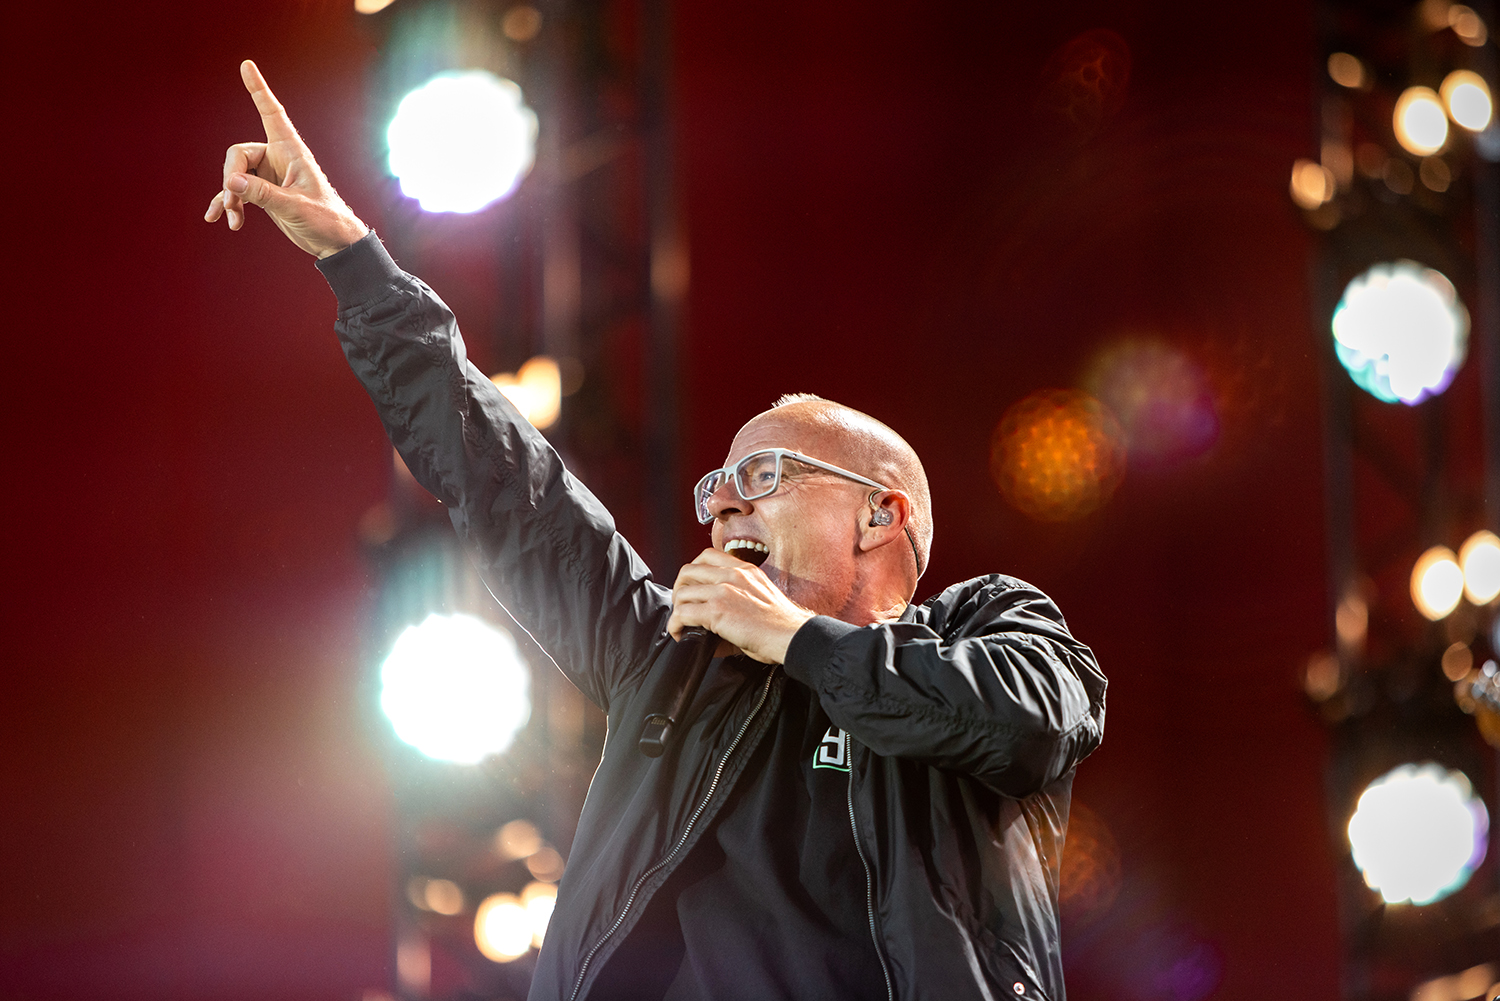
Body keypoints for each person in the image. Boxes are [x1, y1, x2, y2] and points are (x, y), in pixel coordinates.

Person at [207, 60, 1106, 1001]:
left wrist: (796, 639)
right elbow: (508, 482)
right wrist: (353, 257)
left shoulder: (989, 627)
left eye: (762, 475)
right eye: (716, 486)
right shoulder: (668, 661)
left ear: (881, 513)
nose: (723, 505)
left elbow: (1027, 725)